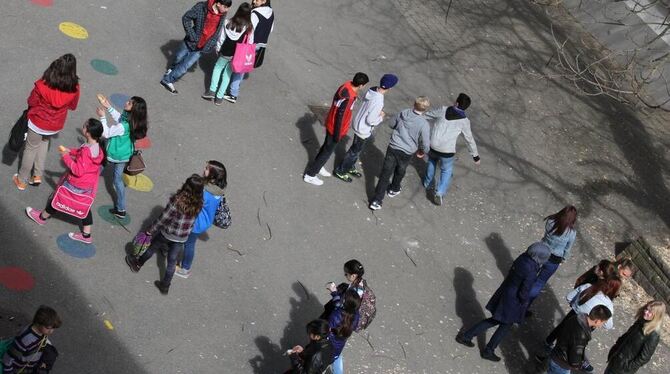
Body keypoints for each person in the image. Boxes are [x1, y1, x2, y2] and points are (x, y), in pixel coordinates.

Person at [455, 241, 551, 362]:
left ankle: (468, 337)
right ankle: (487, 349)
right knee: (504, 325)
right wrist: (524, 303)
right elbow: (524, 291)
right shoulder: (532, 271)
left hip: (506, 292)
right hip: (513, 301)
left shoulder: (522, 258)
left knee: (496, 320)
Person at [25, 118, 105, 244]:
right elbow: (81, 153)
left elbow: (78, 170)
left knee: (59, 198)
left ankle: (41, 217)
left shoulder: (86, 150)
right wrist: (70, 151)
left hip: (77, 182)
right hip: (88, 184)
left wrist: (66, 157)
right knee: (84, 206)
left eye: (84, 126)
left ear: (88, 132)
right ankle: (86, 234)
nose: (82, 127)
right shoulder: (96, 147)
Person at [125, 174, 204, 294]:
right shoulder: (199, 203)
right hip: (182, 237)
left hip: (167, 233)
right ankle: (165, 285)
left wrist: (150, 230)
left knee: (152, 248)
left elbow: (163, 218)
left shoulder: (177, 201)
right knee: (172, 261)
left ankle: (137, 263)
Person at [14, 54, 80, 191]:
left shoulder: (42, 84)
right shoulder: (74, 87)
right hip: (55, 124)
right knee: (44, 143)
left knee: (31, 148)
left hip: (38, 121)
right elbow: (73, 106)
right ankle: (37, 175)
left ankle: (22, 180)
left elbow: (31, 101)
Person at [540, 277, 621, 372]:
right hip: (564, 363)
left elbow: (569, 297)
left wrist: (576, 307)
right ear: (597, 320)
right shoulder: (608, 304)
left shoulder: (588, 287)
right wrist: (577, 365)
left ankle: (545, 361)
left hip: (569, 323)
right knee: (573, 346)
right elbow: (608, 325)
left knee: (563, 342)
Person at [303, 73, 369, 186]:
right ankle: (310, 175)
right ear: (361, 85)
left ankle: (318, 166)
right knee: (327, 152)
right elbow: (341, 116)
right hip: (336, 128)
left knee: (325, 148)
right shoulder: (350, 97)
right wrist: (338, 134)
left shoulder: (345, 86)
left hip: (330, 122)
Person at [368, 96, 431, 210]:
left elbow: (392, 123)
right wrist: (422, 151)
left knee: (385, 173)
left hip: (393, 146)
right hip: (407, 151)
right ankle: (394, 188)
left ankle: (377, 200)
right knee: (401, 169)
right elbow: (426, 143)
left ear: (414, 104)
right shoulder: (424, 124)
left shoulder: (404, 113)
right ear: (425, 109)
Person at [333, 74, 398, 182]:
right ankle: (341, 170)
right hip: (363, 129)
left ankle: (350, 166)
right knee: (355, 150)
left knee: (356, 149)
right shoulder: (379, 101)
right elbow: (371, 120)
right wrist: (380, 117)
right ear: (390, 87)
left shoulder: (372, 90)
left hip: (358, 121)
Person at [160, 0, 232, 95]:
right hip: (190, 41)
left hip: (203, 47)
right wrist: (191, 35)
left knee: (185, 66)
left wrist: (211, 43)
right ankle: (172, 68)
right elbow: (186, 18)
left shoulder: (223, 13)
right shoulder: (202, 7)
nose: (228, 9)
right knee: (178, 57)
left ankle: (167, 80)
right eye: (226, 7)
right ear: (218, 4)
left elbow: (217, 31)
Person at [422, 93, 480, 205]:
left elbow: (428, 115)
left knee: (431, 162)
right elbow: (469, 139)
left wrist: (417, 115)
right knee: (446, 170)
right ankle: (439, 192)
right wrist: (475, 156)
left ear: (456, 103)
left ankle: (427, 183)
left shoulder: (443, 110)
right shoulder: (464, 122)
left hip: (433, 145)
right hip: (447, 151)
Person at [97, 95, 148, 218]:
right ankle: (121, 209)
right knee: (118, 180)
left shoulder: (123, 126)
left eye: (129, 103)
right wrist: (109, 107)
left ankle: (84, 181)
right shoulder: (134, 121)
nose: (126, 103)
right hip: (125, 155)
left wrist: (102, 117)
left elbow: (107, 133)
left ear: (133, 109)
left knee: (98, 165)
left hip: (114, 153)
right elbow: (120, 118)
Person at [176, 160, 228, 278]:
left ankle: (185, 269)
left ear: (213, 176)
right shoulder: (218, 191)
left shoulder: (204, 191)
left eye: (207, 169)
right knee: (189, 242)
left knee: (188, 243)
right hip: (205, 223)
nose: (204, 170)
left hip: (195, 223)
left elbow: (192, 202)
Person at [527, 206, 578, 311]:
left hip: (542, 251)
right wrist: (563, 259)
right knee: (540, 282)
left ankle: (519, 297)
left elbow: (545, 235)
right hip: (554, 259)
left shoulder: (550, 221)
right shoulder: (571, 233)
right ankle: (525, 306)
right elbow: (567, 249)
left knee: (530, 274)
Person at [224, 0, 275, 103]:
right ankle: (233, 91)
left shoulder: (255, 14)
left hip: (251, 44)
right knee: (243, 66)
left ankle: (233, 93)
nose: (254, 1)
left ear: (264, 1)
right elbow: (271, 29)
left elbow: (249, 29)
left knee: (238, 66)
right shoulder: (271, 12)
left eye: (257, 0)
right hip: (261, 45)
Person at [202, 2, 253, 105]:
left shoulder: (227, 23)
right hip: (237, 55)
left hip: (225, 51)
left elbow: (221, 38)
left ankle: (212, 91)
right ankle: (219, 97)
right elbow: (250, 42)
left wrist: (218, 48)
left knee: (218, 68)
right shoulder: (249, 28)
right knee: (227, 74)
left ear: (238, 11)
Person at [545, 306, 612, 374]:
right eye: (603, 323)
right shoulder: (581, 335)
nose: (601, 326)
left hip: (556, 354)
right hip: (561, 364)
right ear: (597, 321)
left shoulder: (576, 318)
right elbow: (575, 357)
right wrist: (578, 365)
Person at [605, 300, 666, 374]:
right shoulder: (641, 321)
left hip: (622, 370)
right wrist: (614, 350)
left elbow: (644, 358)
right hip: (615, 359)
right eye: (646, 309)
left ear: (656, 316)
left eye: (650, 312)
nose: (646, 312)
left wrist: (627, 367)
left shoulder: (653, 335)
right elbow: (626, 337)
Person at [2, 305, 61, 374]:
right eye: (48, 328)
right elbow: (9, 357)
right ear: (38, 323)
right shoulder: (26, 340)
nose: (51, 331)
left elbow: (39, 346)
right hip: (20, 367)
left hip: (31, 363)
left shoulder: (42, 332)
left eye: (53, 328)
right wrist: (8, 371)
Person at [326, 290, 361, 374]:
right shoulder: (356, 315)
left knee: (323, 362)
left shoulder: (336, 315)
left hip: (328, 345)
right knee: (336, 356)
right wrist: (334, 293)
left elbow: (327, 329)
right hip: (339, 345)